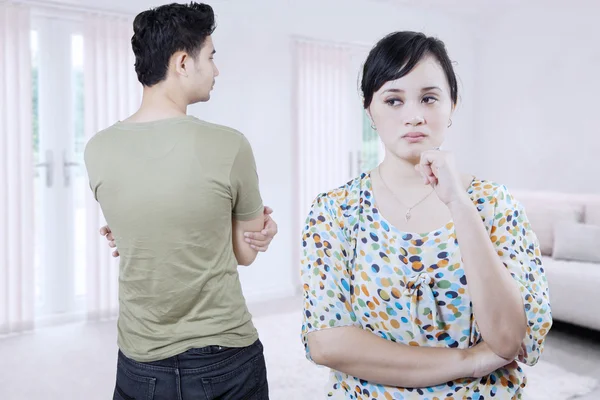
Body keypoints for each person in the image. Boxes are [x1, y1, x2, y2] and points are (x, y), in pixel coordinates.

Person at [300, 31, 552, 399]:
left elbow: (509, 339)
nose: (414, 116)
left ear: (452, 105)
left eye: (429, 98)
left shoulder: (495, 204)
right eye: (393, 100)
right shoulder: (334, 210)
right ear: (370, 109)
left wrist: (459, 205)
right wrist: (469, 360)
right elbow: (327, 344)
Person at [84, 3, 276, 399]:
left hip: (140, 360)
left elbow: (140, 233)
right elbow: (244, 253)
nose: (216, 70)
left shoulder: (97, 149)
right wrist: (260, 232)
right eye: (211, 57)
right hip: (224, 357)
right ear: (184, 62)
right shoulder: (229, 144)